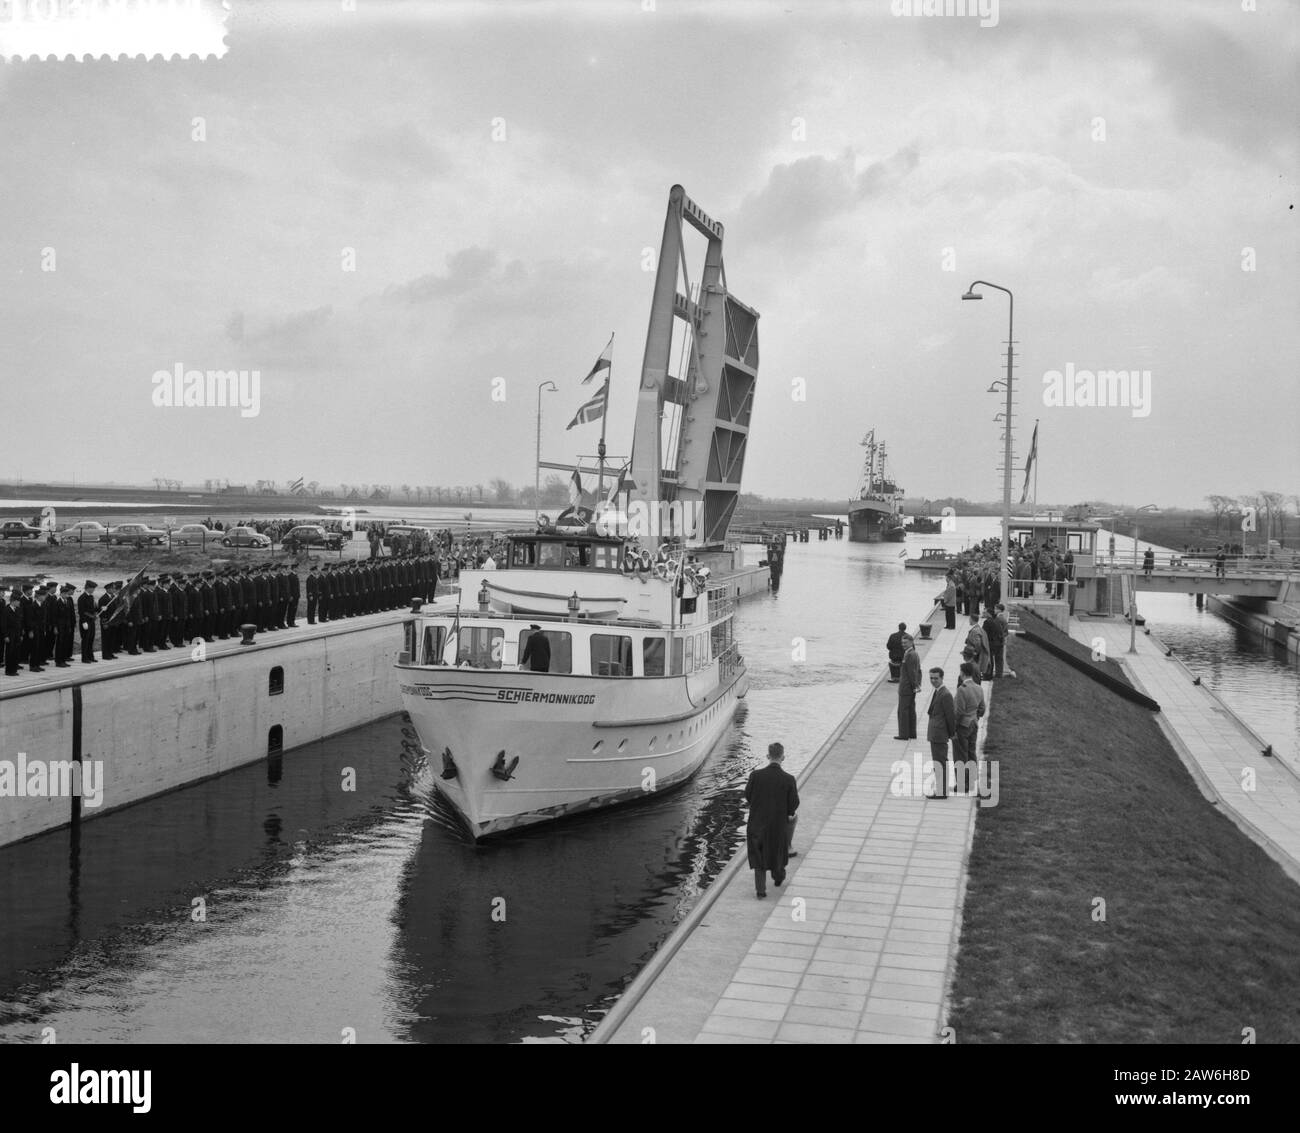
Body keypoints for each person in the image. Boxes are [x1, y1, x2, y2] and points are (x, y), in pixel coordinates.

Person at [744, 742, 799, 899]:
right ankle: (778, 876)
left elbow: (748, 795)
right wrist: (788, 812)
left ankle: (760, 891)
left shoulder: (755, 776)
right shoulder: (789, 779)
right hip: (778, 825)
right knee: (777, 852)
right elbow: (794, 802)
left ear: (768, 756)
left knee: (758, 856)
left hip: (757, 823)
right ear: (783, 757)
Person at [952, 661, 985, 789]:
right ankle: (971, 780)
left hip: (963, 726)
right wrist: (975, 717)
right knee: (971, 752)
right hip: (974, 724)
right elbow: (982, 708)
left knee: (960, 754)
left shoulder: (961, 689)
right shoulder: (978, 688)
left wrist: (953, 727)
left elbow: (958, 711)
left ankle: (962, 783)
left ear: (962, 674)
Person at [925, 667, 957, 799]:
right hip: (936, 733)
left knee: (940, 762)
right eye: (931, 678)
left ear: (942, 678)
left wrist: (951, 733)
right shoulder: (938, 692)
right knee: (937, 762)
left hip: (939, 734)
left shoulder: (945, 695)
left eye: (936, 678)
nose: (933, 681)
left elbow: (950, 717)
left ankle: (942, 791)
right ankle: (940, 789)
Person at [895, 633, 921, 739]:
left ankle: (903, 734)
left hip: (906, 687)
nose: (903, 645)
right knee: (910, 710)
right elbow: (918, 671)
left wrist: (915, 686)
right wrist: (917, 685)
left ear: (911, 642)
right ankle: (911, 733)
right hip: (910, 687)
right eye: (902, 643)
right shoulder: (913, 653)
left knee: (903, 711)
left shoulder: (910, 655)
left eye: (905, 643)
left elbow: (912, 672)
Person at [77, 581, 98, 663]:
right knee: (85, 640)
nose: (93, 590)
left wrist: (100, 609)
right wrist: (84, 622)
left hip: (91, 621)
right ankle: (84, 658)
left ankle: (91, 656)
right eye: (92, 588)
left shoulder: (91, 597)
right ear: (88, 588)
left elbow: (93, 608)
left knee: (91, 639)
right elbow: (82, 611)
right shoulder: (82, 598)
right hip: (85, 621)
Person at [965, 614, 990, 678]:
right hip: (975, 654)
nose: (969, 621)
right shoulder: (979, 629)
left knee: (974, 672)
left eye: (969, 619)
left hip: (974, 655)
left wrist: (975, 652)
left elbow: (977, 643)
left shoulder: (975, 630)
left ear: (972, 619)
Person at [982, 607, 1004, 679]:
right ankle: (994, 675)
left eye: (984, 612)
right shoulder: (995, 621)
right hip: (997, 643)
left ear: (989, 614)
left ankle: (987, 675)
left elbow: (984, 634)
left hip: (990, 643)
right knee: (995, 659)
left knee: (988, 659)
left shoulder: (987, 622)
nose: (983, 613)